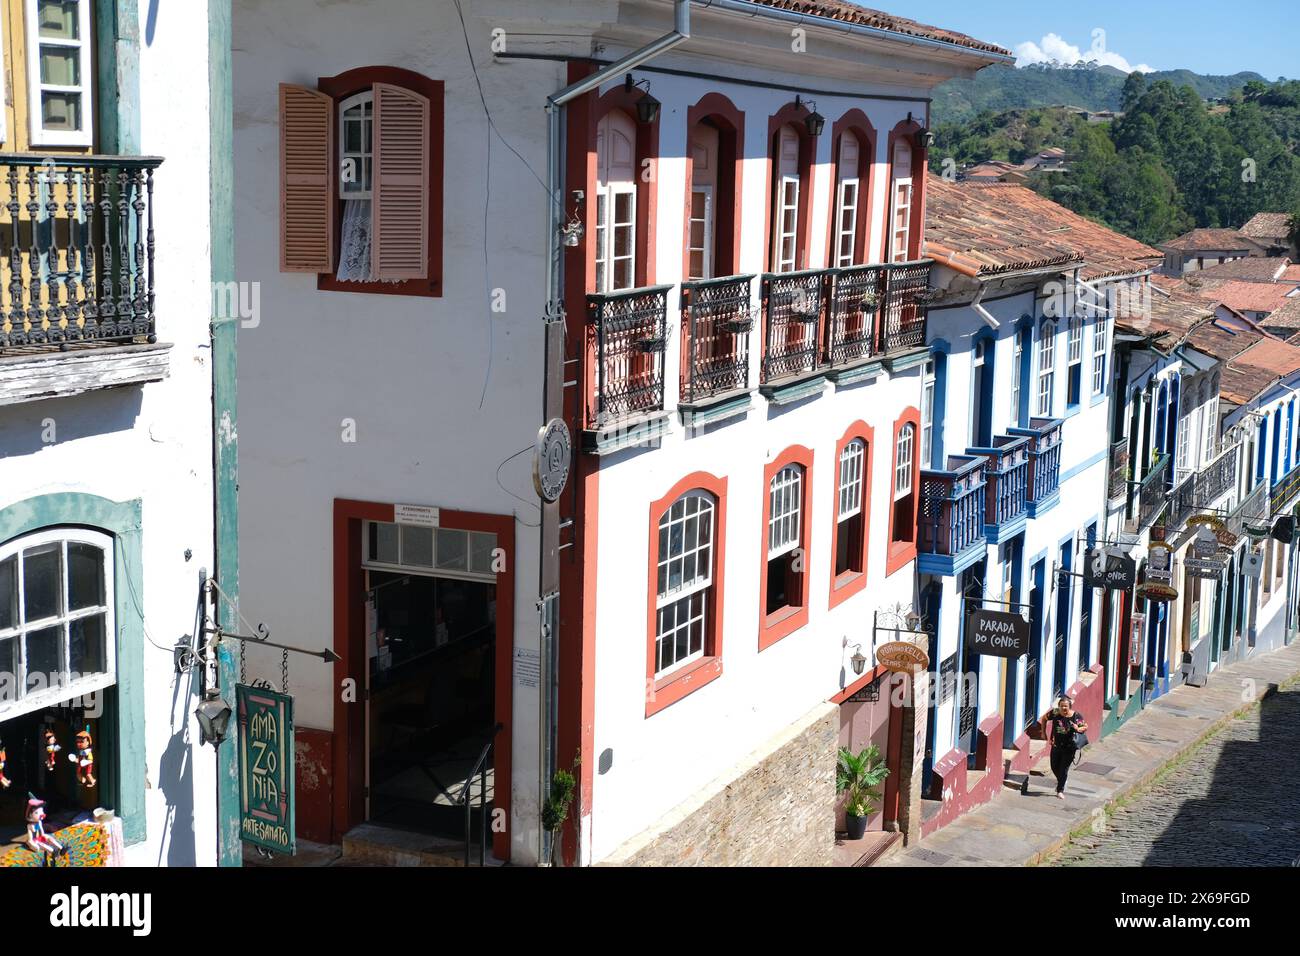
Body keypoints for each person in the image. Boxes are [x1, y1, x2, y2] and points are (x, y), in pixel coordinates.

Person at [1043, 695, 1087, 799]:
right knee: (1054, 766)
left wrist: (1077, 728)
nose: (1063, 708)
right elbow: (1044, 718)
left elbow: (1084, 727)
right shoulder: (1054, 713)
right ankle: (1062, 780)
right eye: (1061, 706)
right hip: (1056, 745)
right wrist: (1043, 733)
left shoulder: (1076, 716)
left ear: (1069, 706)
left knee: (1063, 769)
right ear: (1058, 706)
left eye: (1066, 706)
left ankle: (1060, 790)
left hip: (1069, 748)